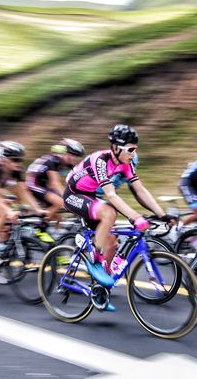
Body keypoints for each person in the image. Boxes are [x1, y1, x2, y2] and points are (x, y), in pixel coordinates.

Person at [63, 124, 174, 292]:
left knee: (113, 243)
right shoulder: (100, 160)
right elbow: (111, 195)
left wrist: (162, 214)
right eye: (130, 150)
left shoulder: (126, 163)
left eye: (135, 150)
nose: (133, 154)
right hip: (73, 194)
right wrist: (136, 217)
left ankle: (101, 287)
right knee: (109, 213)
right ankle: (95, 259)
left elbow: (140, 190)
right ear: (116, 148)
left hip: (91, 195)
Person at [26, 139, 85, 229]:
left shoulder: (63, 161)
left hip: (43, 185)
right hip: (33, 185)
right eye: (71, 154)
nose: (73, 158)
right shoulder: (53, 161)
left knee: (59, 218)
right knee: (60, 202)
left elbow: (80, 178)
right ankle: (40, 228)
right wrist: (70, 197)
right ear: (63, 152)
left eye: (75, 156)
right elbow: (55, 183)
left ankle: (58, 236)